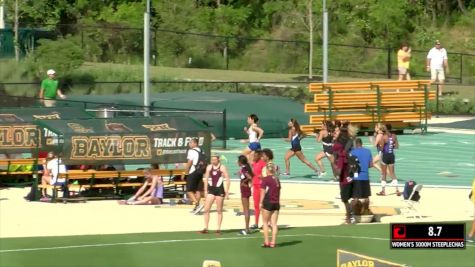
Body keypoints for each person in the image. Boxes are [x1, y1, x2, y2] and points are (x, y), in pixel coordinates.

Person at [199, 155, 230, 235]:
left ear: (218, 160)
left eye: (215, 160)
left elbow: (227, 180)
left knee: (219, 210)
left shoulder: (222, 167)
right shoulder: (209, 167)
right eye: (212, 159)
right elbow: (206, 179)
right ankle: (206, 228)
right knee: (206, 209)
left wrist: (227, 192)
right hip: (211, 189)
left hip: (220, 190)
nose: (213, 161)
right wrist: (205, 191)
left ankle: (218, 229)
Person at [331, 124, 354, 224]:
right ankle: (351, 213)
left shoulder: (341, 156)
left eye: (336, 132)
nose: (334, 133)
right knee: (351, 197)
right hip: (349, 177)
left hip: (344, 179)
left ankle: (349, 217)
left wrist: (333, 164)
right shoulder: (345, 151)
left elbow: (338, 173)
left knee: (345, 199)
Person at [260, 162, 281, 248]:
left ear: (267, 170)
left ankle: (266, 241)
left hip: (268, 202)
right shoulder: (277, 179)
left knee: (265, 223)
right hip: (276, 203)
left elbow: (263, 192)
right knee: (274, 224)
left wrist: (260, 202)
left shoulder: (265, 179)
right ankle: (273, 242)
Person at [377, 124, 401, 196]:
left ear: (386, 129)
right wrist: (391, 145)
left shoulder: (383, 137)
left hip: (385, 155)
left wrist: (379, 146)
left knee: (384, 173)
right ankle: (397, 190)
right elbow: (397, 146)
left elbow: (381, 148)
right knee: (392, 173)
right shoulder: (394, 136)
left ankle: (383, 191)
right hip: (391, 155)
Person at [350, 138, 373, 212]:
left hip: (356, 177)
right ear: (361, 143)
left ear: (356, 144)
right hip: (365, 176)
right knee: (366, 197)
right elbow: (370, 165)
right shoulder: (368, 151)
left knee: (356, 197)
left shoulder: (353, 152)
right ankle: (366, 210)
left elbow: (351, 165)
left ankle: (355, 212)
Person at [185, 138, 204, 214]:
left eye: (191, 142)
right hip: (200, 172)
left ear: (195, 143)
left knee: (189, 190)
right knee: (198, 190)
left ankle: (197, 204)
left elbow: (190, 162)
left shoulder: (191, 151)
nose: (189, 144)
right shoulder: (202, 151)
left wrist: (186, 171)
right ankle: (197, 208)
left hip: (193, 171)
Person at [238, 155, 254, 235]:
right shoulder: (245, 168)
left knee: (246, 210)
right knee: (246, 209)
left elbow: (250, 177)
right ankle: (247, 228)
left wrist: (244, 182)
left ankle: (247, 229)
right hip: (246, 190)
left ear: (240, 162)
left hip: (244, 190)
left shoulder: (244, 169)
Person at [251, 150, 266, 230]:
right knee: (256, 205)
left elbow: (267, 175)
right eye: (254, 156)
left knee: (263, 206)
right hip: (255, 186)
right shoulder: (254, 163)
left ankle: (266, 223)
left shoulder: (263, 164)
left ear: (259, 156)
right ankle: (256, 223)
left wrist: (262, 177)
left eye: (255, 156)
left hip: (261, 187)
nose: (254, 157)